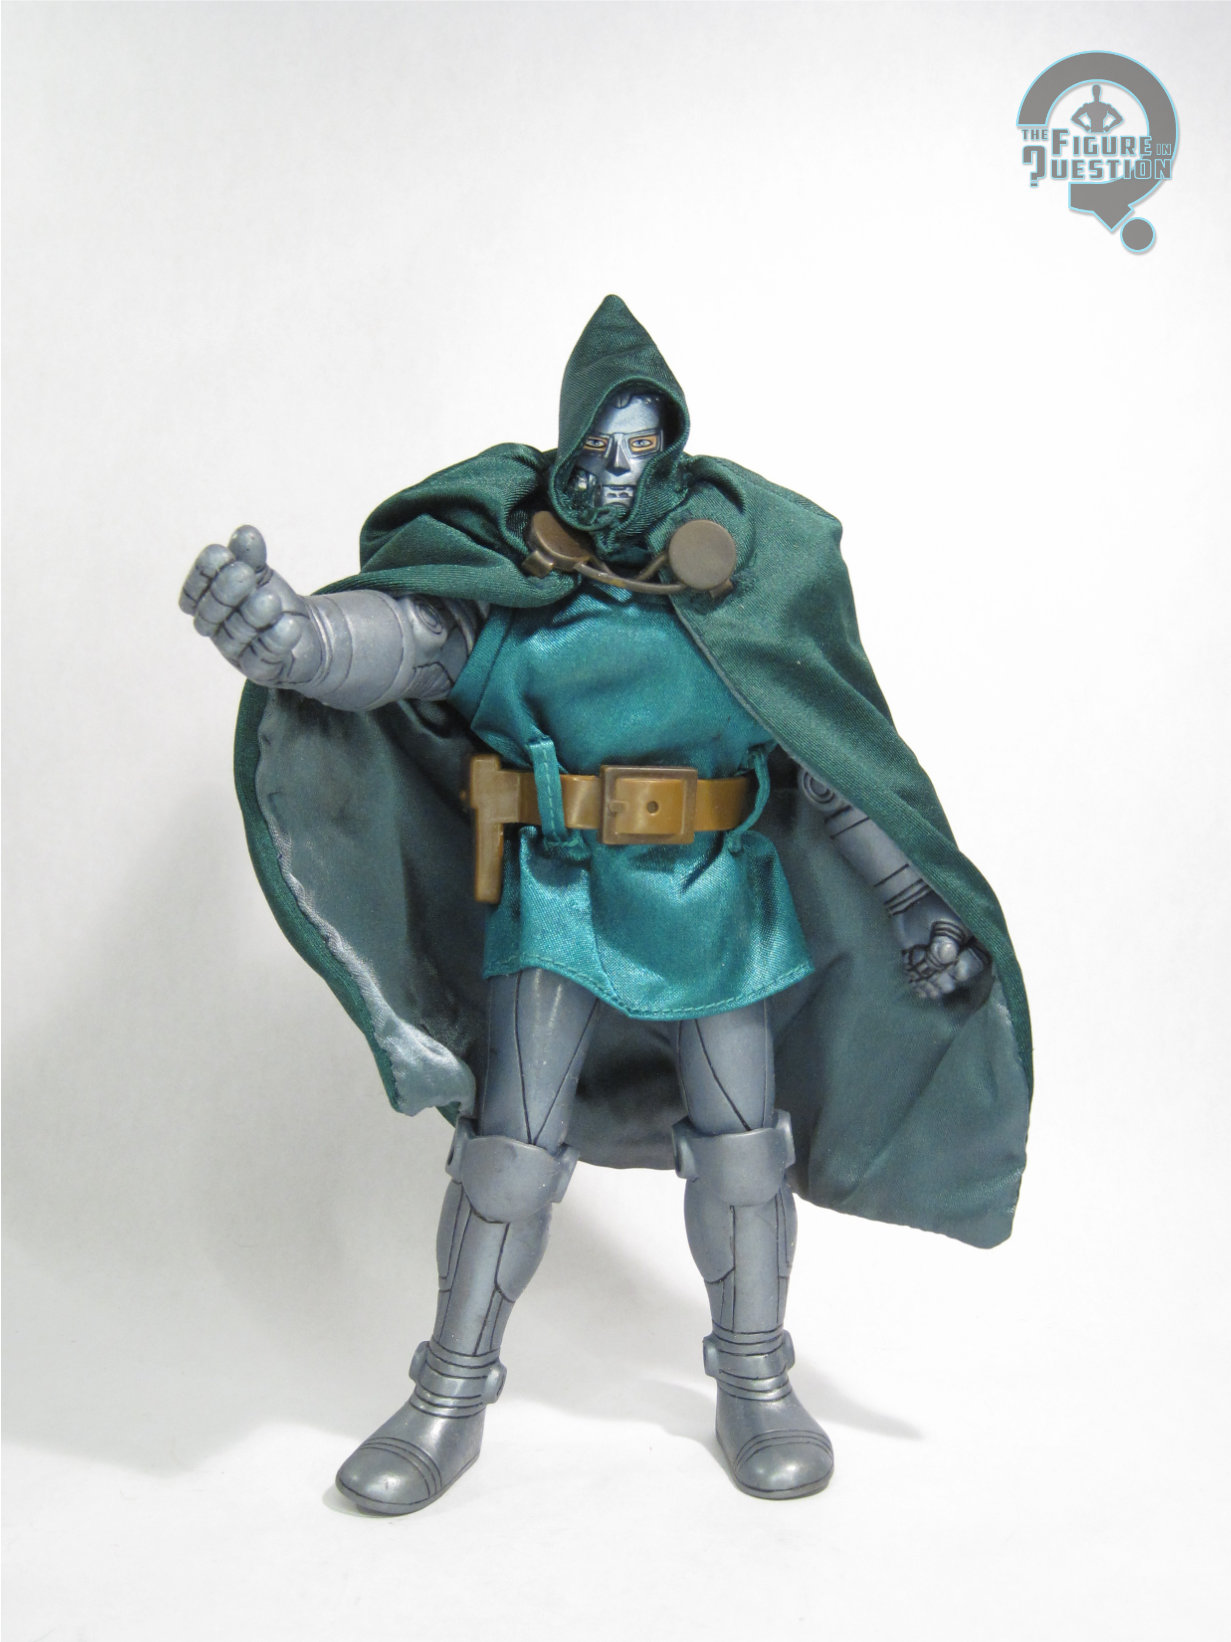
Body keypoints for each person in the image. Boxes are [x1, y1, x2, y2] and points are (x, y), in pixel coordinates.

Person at [181, 296, 1031, 1513]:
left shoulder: (741, 592)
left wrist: (911, 901)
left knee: (743, 1155)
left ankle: (754, 1380)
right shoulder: (516, 585)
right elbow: (410, 640)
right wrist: (298, 637)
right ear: (571, 441)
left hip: (717, 900)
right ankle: (446, 1395)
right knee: (508, 1157)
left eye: (642, 445)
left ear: (671, 449)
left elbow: (828, 760)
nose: (618, 468)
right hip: (558, 896)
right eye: (601, 442)